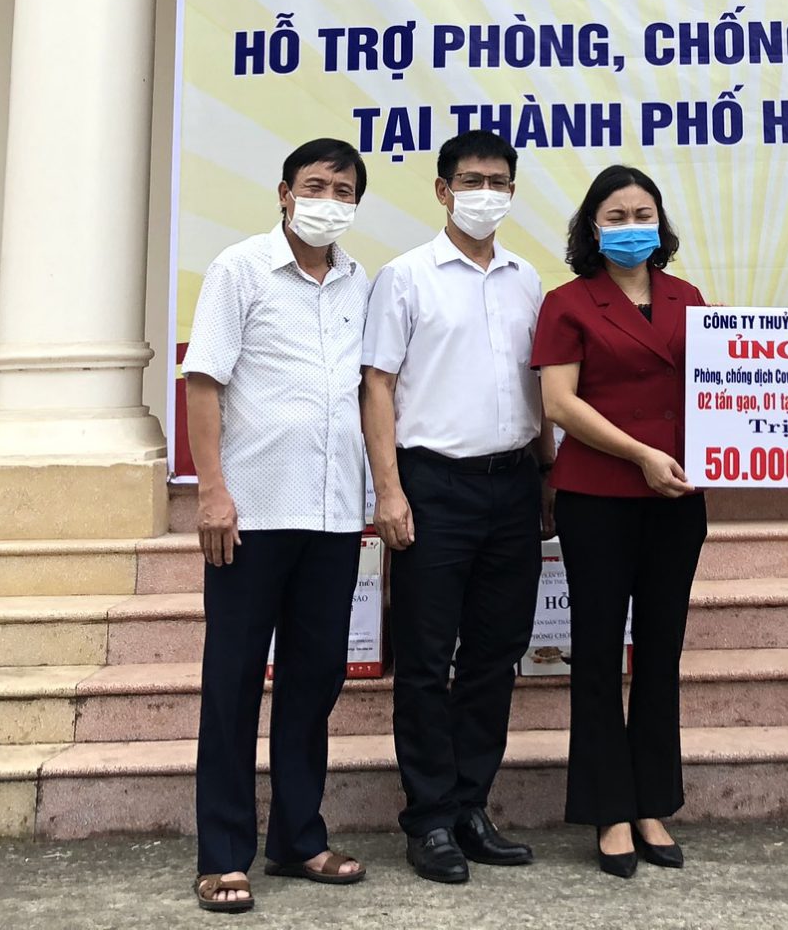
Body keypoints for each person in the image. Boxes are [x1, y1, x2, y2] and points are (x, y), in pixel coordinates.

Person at [182, 138, 375, 914]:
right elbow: (204, 382)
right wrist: (212, 492)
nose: (328, 200)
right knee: (232, 684)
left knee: (314, 682)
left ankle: (299, 838)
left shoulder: (360, 282)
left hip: (334, 515)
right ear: (285, 194)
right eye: (315, 186)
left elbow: (368, 392)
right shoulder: (239, 270)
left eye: (343, 190)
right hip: (252, 513)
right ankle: (223, 855)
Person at [361, 130, 550, 885]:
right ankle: (430, 818)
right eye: (472, 180)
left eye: (499, 182)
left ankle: (472, 806)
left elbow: (539, 386)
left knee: (495, 657)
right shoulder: (405, 278)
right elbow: (377, 386)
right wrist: (389, 490)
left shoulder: (527, 279)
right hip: (432, 486)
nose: (485, 194)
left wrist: (547, 476)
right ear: (443, 190)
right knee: (425, 658)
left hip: (514, 486)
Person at [530, 164, 708, 879]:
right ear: (592, 227)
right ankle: (608, 809)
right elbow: (559, 404)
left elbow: (726, 384)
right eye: (616, 216)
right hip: (598, 496)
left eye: (643, 214)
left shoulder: (689, 299)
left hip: (677, 499)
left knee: (662, 651)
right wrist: (640, 455)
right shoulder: (567, 303)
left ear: (660, 224)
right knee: (599, 652)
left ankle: (652, 803)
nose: (632, 227)